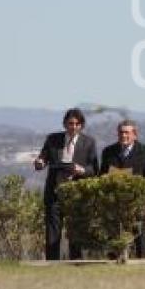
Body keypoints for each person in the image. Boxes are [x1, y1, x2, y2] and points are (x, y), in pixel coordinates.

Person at [33, 107, 99, 260]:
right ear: (65, 124)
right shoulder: (53, 139)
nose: (73, 127)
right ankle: (52, 262)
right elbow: (42, 158)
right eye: (70, 123)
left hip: (77, 194)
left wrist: (81, 170)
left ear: (81, 125)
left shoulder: (89, 142)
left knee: (76, 230)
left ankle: (76, 262)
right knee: (52, 230)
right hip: (54, 192)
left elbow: (94, 169)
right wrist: (40, 162)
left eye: (77, 124)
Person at [99, 119, 145, 257]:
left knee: (139, 234)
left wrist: (142, 196)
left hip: (137, 202)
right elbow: (101, 176)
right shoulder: (108, 152)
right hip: (115, 202)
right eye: (120, 132)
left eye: (127, 133)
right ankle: (114, 261)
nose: (123, 136)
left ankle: (142, 260)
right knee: (114, 234)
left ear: (135, 134)